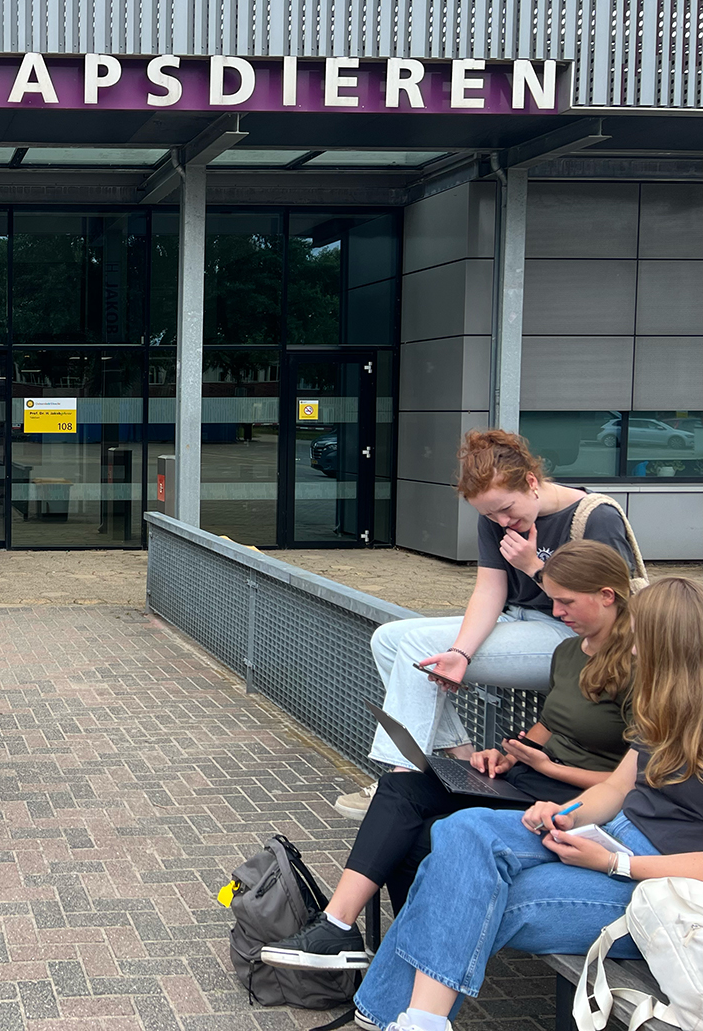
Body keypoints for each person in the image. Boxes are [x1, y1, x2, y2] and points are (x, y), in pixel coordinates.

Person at [262, 540, 635, 971]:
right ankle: (338, 926)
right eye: (551, 600)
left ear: (607, 596)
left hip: (569, 803)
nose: (555, 613)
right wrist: (509, 755)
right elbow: (550, 723)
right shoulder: (569, 651)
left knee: (423, 835)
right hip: (526, 779)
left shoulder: (639, 667)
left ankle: (414, 956)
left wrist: (550, 767)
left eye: (565, 601)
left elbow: (630, 783)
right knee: (401, 786)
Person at [350, 576, 703, 1031]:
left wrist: (614, 864)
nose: (631, 650)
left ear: (667, 646)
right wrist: (566, 815)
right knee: (462, 831)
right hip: (610, 836)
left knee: (465, 888)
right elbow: (617, 790)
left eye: (638, 640)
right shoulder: (664, 706)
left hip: (662, 885)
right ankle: (420, 1022)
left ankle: (392, 1018)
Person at [335, 428, 643, 820]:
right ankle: (461, 759)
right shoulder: (496, 519)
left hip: (575, 639)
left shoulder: (595, 515)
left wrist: (534, 566)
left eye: (507, 509)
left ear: (532, 482)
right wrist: (460, 653)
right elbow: (489, 592)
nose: (502, 521)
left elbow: (612, 599)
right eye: (489, 515)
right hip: (517, 621)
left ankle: (402, 776)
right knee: (390, 640)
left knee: (415, 648)